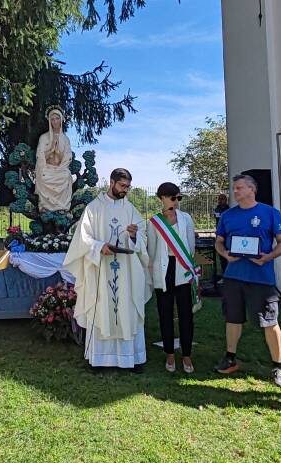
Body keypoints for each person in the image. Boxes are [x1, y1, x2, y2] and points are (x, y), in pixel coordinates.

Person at [64, 167, 150, 371]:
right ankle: (100, 359)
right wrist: (98, 246)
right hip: (101, 269)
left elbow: (142, 236)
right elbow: (82, 239)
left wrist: (134, 236)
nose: (125, 190)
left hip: (126, 270)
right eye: (122, 186)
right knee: (102, 309)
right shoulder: (93, 208)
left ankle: (131, 358)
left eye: (128, 187)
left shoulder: (130, 209)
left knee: (127, 309)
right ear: (111, 183)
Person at [214, 174, 281, 386]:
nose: (235, 191)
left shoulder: (270, 213)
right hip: (233, 277)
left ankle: (277, 367)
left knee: (270, 321)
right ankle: (230, 358)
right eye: (234, 188)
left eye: (239, 188)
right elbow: (219, 242)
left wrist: (268, 257)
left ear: (251, 189)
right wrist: (226, 255)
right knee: (232, 318)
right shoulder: (228, 215)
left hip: (262, 278)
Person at [146, 181, 199, 373]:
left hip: (182, 270)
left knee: (186, 314)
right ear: (162, 198)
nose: (176, 201)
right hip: (163, 270)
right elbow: (151, 250)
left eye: (178, 198)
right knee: (165, 313)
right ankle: (169, 353)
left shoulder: (186, 218)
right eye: (172, 197)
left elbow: (191, 247)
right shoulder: (154, 222)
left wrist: (187, 265)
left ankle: (186, 355)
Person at [34, 107, 75, 212]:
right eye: (52, 119)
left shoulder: (65, 139)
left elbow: (67, 157)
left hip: (60, 169)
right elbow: (40, 155)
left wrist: (58, 154)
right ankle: (45, 206)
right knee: (43, 176)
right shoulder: (44, 138)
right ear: (49, 121)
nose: (55, 121)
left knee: (66, 175)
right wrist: (51, 149)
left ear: (61, 120)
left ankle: (62, 207)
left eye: (57, 118)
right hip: (47, 168)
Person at [212, 193, 230, 282]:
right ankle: (224, 276)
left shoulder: (229, 210)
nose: (221, 200)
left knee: (229, 255)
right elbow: (216, 217)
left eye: (223, 199)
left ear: (226, 200)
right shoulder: (216, 209)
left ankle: (230, 276)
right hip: (219, 235)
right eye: (219, 199)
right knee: (221, 256)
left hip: (228, 236)